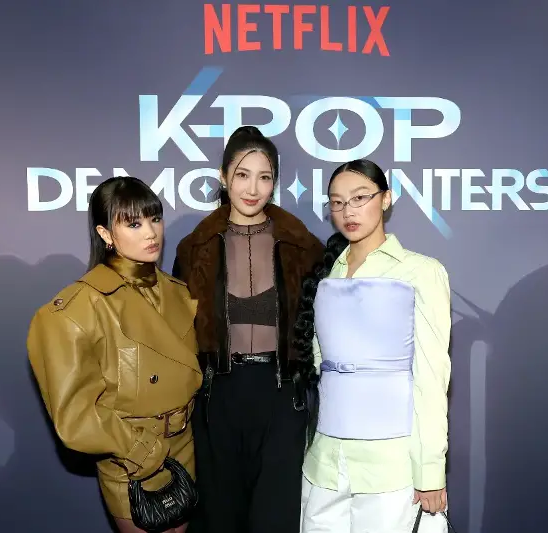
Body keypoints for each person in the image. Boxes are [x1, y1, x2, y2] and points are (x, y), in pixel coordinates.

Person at [27, 177, 202, 533]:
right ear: (105, 234)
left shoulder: (179, 293)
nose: (151, 232)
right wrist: (139, 450)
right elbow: (76, 415)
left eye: (155, 218)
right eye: (134, 224)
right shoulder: (76, 310)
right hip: (130, 456)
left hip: (182, 448)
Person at [172, 126, 324, 533]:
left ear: (275, 183)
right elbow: (179, 334)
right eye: (242, 174)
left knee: (276, 518)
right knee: (219, 519)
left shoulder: (304, 248)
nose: (253, 188)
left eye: (264, 177)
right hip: (217, 397)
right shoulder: (194, 249)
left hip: (282, 398)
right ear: (223, 177)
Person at [295, 159, 452, 533]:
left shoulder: (421, 271)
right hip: (324, 462)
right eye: (337, 202)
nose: (348, 211)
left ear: (386, 199)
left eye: (359, 197)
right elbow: (318, 364)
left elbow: (431, 378)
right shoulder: (324, 274)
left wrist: (430, 470)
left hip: (390, 467)